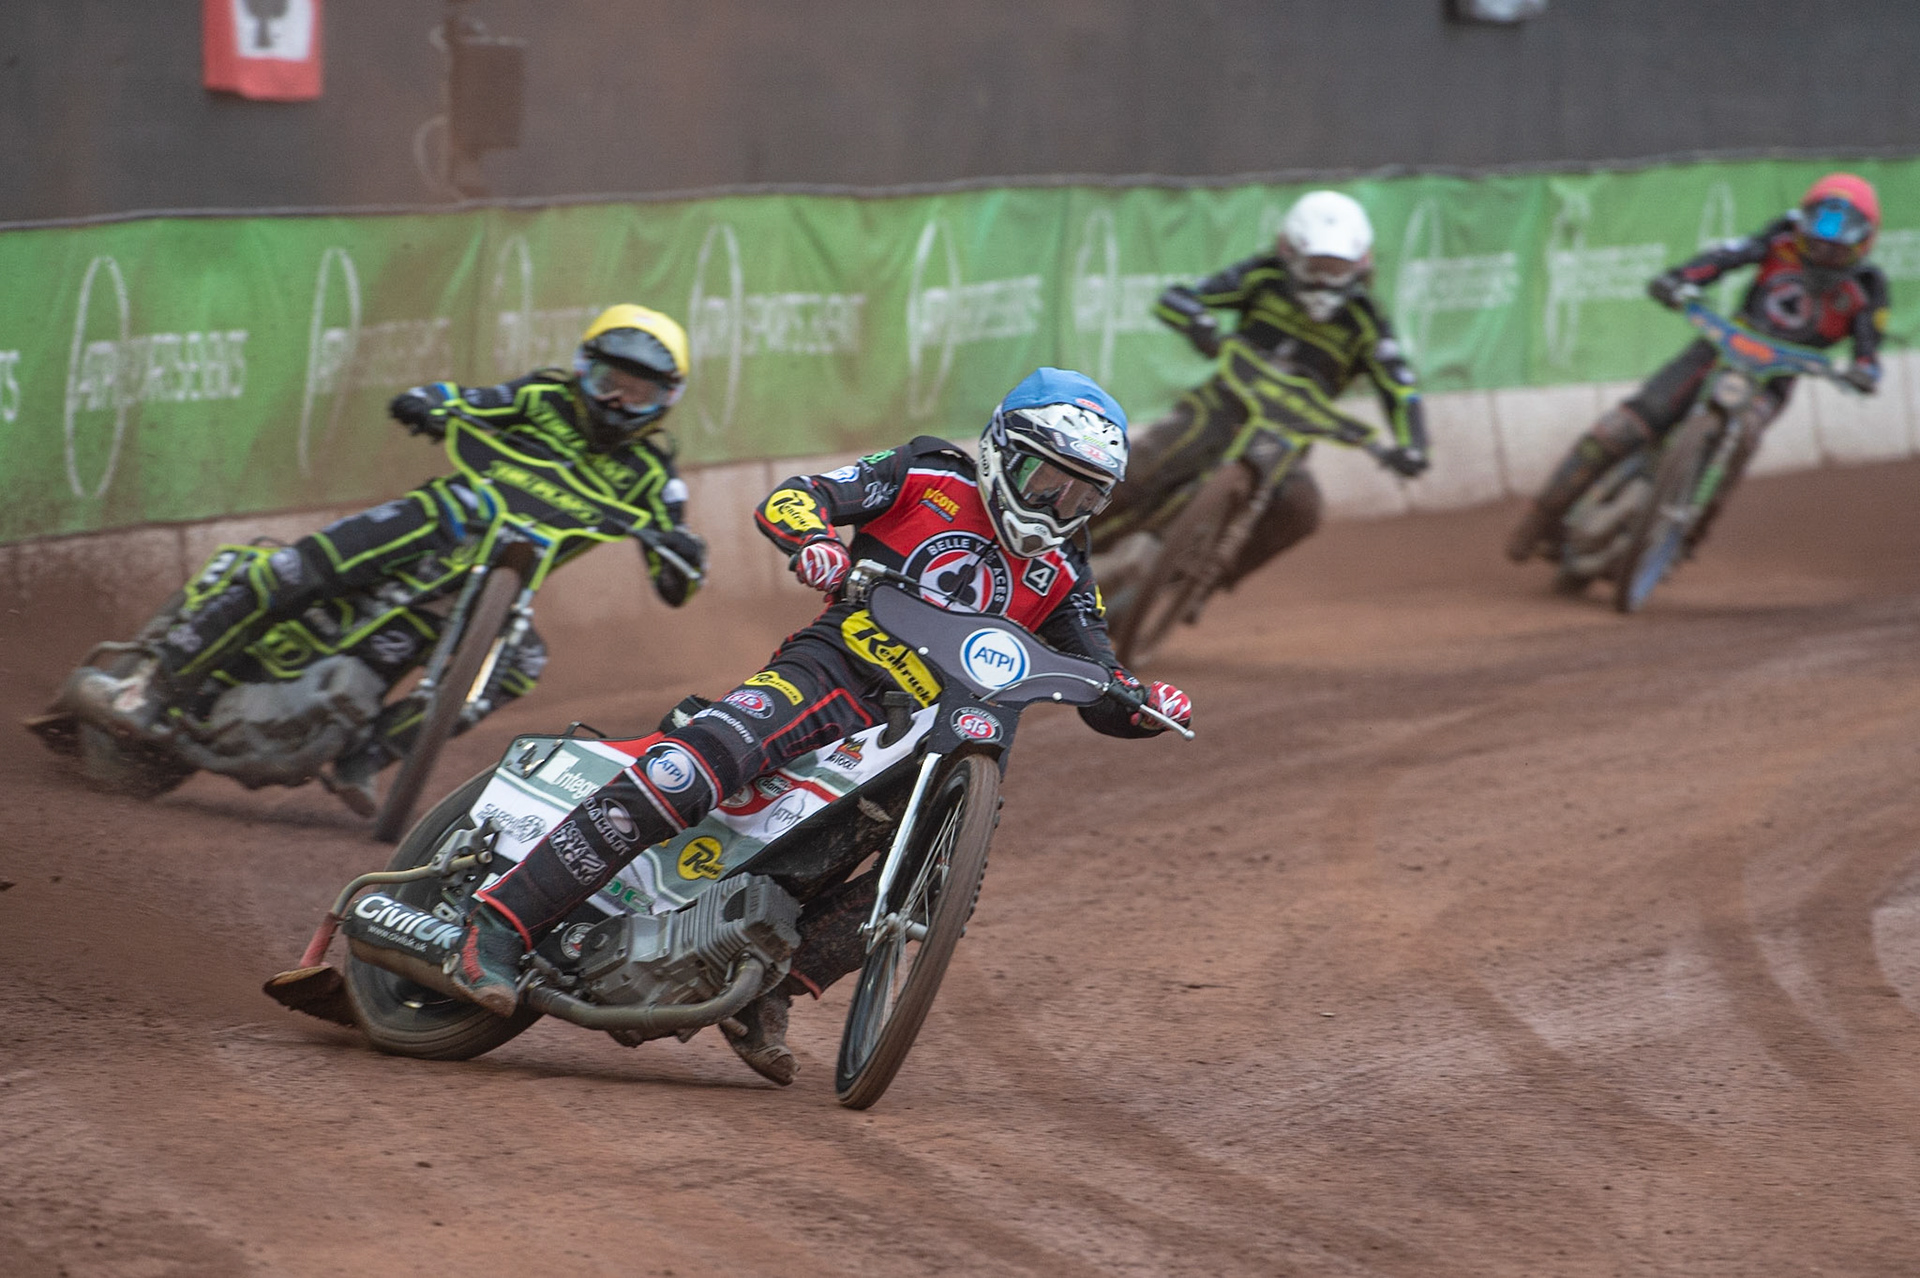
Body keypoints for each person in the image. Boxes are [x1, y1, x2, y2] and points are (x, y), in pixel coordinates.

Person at [427, 368, 1193, 1085]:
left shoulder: (1063, 569)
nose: (1060, 507)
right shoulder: (926, 472)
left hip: (944, 738)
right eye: (1048, 482)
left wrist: (1146, 703)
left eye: (1084, 497)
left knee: (929, 885)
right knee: (689, 769)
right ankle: (497, 923)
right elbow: (798, 498)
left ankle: (768, 989)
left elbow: (1102, 679)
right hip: (836, 673)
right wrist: (817, 540)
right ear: (1003, 451)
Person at [68, 304, 708, 812]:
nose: (617, 403)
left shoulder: (654, 473)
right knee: (287, 573)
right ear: (581, 368)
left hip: (498, 583)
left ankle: (368, 757)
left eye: (639, 394)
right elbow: (468, 400)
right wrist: (429, 400)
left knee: (520, 663)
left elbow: (678, 577)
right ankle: (151, 689)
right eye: (606, 382)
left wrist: (679, 550)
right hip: (437, 520)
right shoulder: (542, 398)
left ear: (666, 399)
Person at [1507, 173, 1890, 563]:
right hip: (1721, 349)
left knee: (1742, 437)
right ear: (1804, 224)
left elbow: (1868, 346)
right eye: (1817, 241)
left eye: (1836, 249)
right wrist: (1678, 280)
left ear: (1864, 242)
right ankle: (1542, 515)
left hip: (1774, 377)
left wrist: (1863, 370)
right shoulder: (1782, 236)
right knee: (1622, 427)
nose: (1823, 254)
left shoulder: (1869, 286)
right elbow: (1726, 257)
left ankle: (1689, 534)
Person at [1093, 189, 1430, 585]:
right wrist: (1199, 324)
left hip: (1288, 439)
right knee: (1151, 462)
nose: (1324, 280)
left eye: (1336, 269)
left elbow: (1400, 388)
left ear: (1360, 266)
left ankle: (1198, 582)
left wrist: (1414, 446)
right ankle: (1057, 543)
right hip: (1222, 404)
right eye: (1315, 265)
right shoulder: (1263, 277)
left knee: (1302, 510)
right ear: (1290, 254)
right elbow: (1178, 298)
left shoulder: (1367, 321)